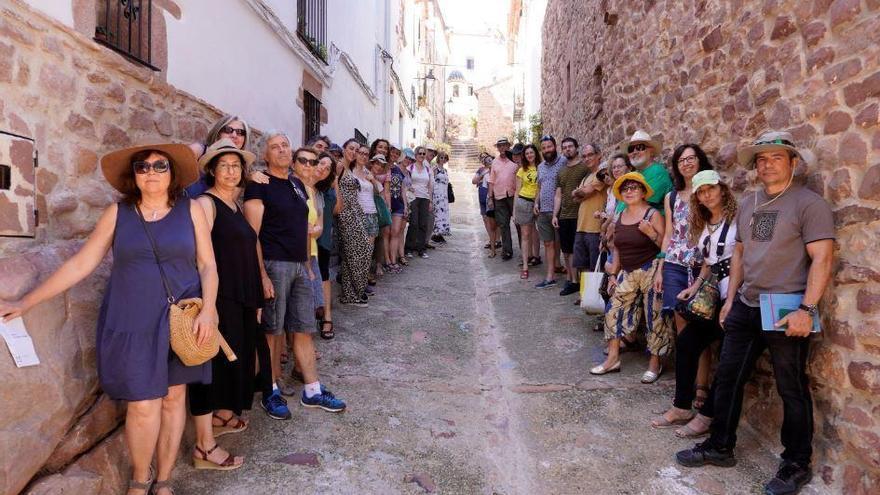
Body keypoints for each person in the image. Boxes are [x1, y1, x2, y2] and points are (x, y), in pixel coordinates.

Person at [2, 143, 217, 494]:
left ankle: (163, 480)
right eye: (142, 166)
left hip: (182, 320)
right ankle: (138, 479)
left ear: (172, 173)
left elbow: (208, 265)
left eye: (159, 166)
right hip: (132, 321)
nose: (151, 172)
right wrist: (27, 301)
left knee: (174, 398)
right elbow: (80, 264)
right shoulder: (118, 214)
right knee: (142, 403)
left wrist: (208, 310)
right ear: (134, 176)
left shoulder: (191, 210)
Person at [676, 131, 834, 495]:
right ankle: (720, 446)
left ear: (793, 163)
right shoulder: (748, 204)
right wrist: (730, 299)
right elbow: (740, 255)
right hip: (747, 305)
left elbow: (822, 258)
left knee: (791, 388)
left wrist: (807, 310)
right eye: (761, 159)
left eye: (776, 157)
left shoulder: (809, 204)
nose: (766, 164)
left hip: (786, 308)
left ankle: (796, 464)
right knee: (728, 377)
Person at [243, 134, 346, 413]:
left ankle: (312, 390)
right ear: (266, 155)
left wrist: (308, 266)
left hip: (300, 265)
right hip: (274, 264)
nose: (282, 150)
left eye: (285, 145)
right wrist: (261, 274)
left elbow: (302, 225)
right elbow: (251, 234)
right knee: (272, 331)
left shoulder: (297, 186)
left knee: (302, 328)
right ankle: (270, 389)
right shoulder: (259, 185)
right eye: (275, 146)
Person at [187, 139, 263, 471]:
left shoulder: (235, 204)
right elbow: (199, 256)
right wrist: (207, 303)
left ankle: (219, 415)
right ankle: (204, 446)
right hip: (217, 298)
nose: (231, 171)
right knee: (209, 366)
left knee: (233, 360)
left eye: (236, 166)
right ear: (212, 171)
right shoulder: (206, 203)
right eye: (224, 165)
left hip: (240, 294)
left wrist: (256, 294)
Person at [652, 170, 736, 438]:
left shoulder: (738, 219)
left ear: (722, 189)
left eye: (711, 188)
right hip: (715, 290)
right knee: (687, 342)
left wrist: (731, 300)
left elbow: (741, 259)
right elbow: (710, 263)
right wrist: (694, 287)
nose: (707, 194)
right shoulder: (706, 222)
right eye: (701, 191)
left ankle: (708, 416)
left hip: (736, 293)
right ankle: (681, 407)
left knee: (730, 358)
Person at [591, 172, 671, 383]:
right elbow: (617, 247)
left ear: (644, 192)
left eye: (634, 187)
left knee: (655, 315)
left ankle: (655, 363)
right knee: (613, 311)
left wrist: (651, 233)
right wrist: (613, 274)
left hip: (651, 269)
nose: (629, 191)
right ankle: (613, 359)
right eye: (626, 189)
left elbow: (665, 244)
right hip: (627, 271)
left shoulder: (652, 215)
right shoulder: (619, 216)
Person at [654, 144, 714, 409]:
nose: (687, 163)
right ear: (676, 165)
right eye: (682, 159)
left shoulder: (709, 193)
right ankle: (685, 388)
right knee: (683, 330)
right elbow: (668, 234)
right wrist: (660, 266)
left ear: (700, 161)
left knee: (699, 327)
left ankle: (702, 385)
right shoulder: (671, 197)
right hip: (676, 265)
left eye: (692, 158)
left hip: (703, 266)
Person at [335, 138, 372, 306]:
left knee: (357, 251)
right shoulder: (340, 166)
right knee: (358, 251)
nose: (354, 152)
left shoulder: (349, 168)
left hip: (355, 213)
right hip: (345, 215)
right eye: (351, 148)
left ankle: (351, 294)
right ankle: (357, 290)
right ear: (344, 148)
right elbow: (332, 187)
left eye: (357, 150)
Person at [553, 137, 590, 296]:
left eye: (570, 146)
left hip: (580, 215)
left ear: (576, 148)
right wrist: (555, 214)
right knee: (566, 251)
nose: (567, 149)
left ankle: (578, 282)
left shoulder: (584, 168)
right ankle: (572, 279)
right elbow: (558, 195)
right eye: (565, 147)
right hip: (564, 216)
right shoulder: (561, 171)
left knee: (579, 250)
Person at [186, 115, 254, 197]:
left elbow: (227, 202)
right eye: (228, 130)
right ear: (218, 133)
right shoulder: (198, 150)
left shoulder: (240, 169)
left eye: (240, 132)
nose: (234, 135)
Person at [571, 143, 607, 299]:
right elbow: (575, 198)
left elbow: (584, 192)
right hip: (581, 227)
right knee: (582, 265)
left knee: (596, 267)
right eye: (584, 156)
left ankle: (596, 300)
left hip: (595, 228)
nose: (587, 158)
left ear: (599, 155)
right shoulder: (586, 177)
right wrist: (580, 192)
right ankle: (586, 297)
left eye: (590, 155)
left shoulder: (602, 174)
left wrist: (580, 192)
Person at [617, 130, 673, 214]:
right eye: (631, 149)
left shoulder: (657, 172)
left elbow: (640, 204)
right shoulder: (633, 175)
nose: (635, 152)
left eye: (640, 147)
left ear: (651, 152)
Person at [314, 153, 337, 339]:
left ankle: (327, 316)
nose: (323, 168)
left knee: (323, 274)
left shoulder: (326, 191)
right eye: (321, 163)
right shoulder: (299, 183)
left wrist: (334, 181)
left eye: (328, 167)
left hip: (321, 241)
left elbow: (337, 209)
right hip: (302, 242)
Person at [487, 137, 518, 260]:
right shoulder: (495, 162)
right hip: (499, 197)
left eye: (505, 145)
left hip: (513, 196)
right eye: (500, 146)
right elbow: (491, 181)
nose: (502, 148)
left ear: (508, 146)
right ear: (498, 148)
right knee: (503, 224)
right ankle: (507, 251)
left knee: (519, 224)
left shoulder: (514, 161)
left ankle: (525, 251)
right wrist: (490, 198)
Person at [514, 144, 539, 278]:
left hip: (538, 203)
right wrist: (514, 210)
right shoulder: (521, 170)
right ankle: (525, 265)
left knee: (539, 232)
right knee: (525, 234)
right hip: (524, 202)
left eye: (531, 152)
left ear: (535, 153)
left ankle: (536, 256)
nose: (529, 155)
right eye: (527, 153)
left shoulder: (541, 168)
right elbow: (517, 191)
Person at [404, 146, 434, 259]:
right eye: (419, 153)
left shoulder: (428, 169)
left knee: (423, 224)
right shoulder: (410, 168)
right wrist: (408, 188)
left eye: (423, 154)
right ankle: (408, 248)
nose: (421, 155)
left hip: (425, 198)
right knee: (414, 223)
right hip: (413, 198)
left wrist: (430, 201)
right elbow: (405, 183)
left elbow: (430, 186)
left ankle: (421, 249)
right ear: (415, 155)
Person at [387, 148, 409, 272]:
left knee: (395, 232)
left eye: (397, 154)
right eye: (393, 152)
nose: (394, 155)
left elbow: (403, 189)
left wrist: (405, 205)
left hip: (398, 204)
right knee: (386, 234)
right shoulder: (383, 167)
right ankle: (387, 261)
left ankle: (393, 261)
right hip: (386, 204)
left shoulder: (398, 170)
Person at [474, 155, 498, 257]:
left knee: (498, 223)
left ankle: (498, 243)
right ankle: (493, 249)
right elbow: (477, 182)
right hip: (488, 201)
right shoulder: (484, 172)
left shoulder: (497, 171)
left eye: (490, 160)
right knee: (491, 224)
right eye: (486, 160)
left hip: (497, 200)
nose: (488, 161)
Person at [431, 151, 452, 243]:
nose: (443, 159)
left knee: (443, 213)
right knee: (437, 213)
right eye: (441, 157)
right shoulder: (435, 169)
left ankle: (440, 233)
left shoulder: (445, 171)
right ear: (438, 158)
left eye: (445, 158)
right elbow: (431, 182)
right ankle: (435, 233)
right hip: (437, 194)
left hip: (444, 195)